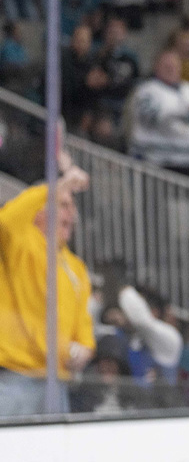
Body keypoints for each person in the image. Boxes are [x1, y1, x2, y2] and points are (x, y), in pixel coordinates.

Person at [0, 163, 94, 416]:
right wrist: (58, 185)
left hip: (55, 381)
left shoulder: (76, 267)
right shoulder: (21, 243)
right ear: (39, 209)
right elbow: (7, 219)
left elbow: (82, 322)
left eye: (72, 206)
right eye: (63, 205)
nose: (71, 213)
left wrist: (85, 346)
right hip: (13, 377)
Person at [126, 48, 189, 175]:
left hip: (188, 162)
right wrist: (183, 111)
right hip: (154, 162)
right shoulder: (145, 91)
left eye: (174, 65)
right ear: (156, 67)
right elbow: (150, 116)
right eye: (166, 65)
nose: (171, 69)